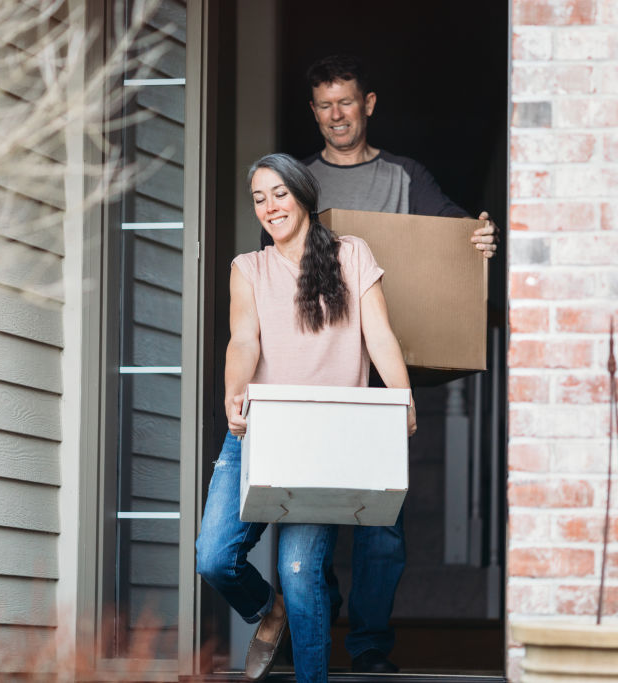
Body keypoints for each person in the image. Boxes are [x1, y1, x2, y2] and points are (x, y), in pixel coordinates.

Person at [261, 54, 498, 674]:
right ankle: (321, 614)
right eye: (324, 105)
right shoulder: (299, 182)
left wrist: (477, 235)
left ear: (368, 104)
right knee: (314, 520)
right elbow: (270, 277)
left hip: (382, 379)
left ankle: (368, 647)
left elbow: (450, 230)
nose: (336, 115)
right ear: (313, 112)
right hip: (313, 381)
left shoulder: (404, 176)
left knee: (382, 528)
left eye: (346, 101)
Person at [196, 152, 417, 683]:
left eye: (278, 193)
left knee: (300, 574)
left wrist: (402, 396)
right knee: (214, 556)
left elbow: (378, 334)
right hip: (260, 430)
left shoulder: (351, 254)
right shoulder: (247, 268)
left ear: (303, 195)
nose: (269, 206)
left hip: (326, 440)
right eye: (259, 198)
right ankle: (266, 610)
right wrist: (234, 393)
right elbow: (243, 340)